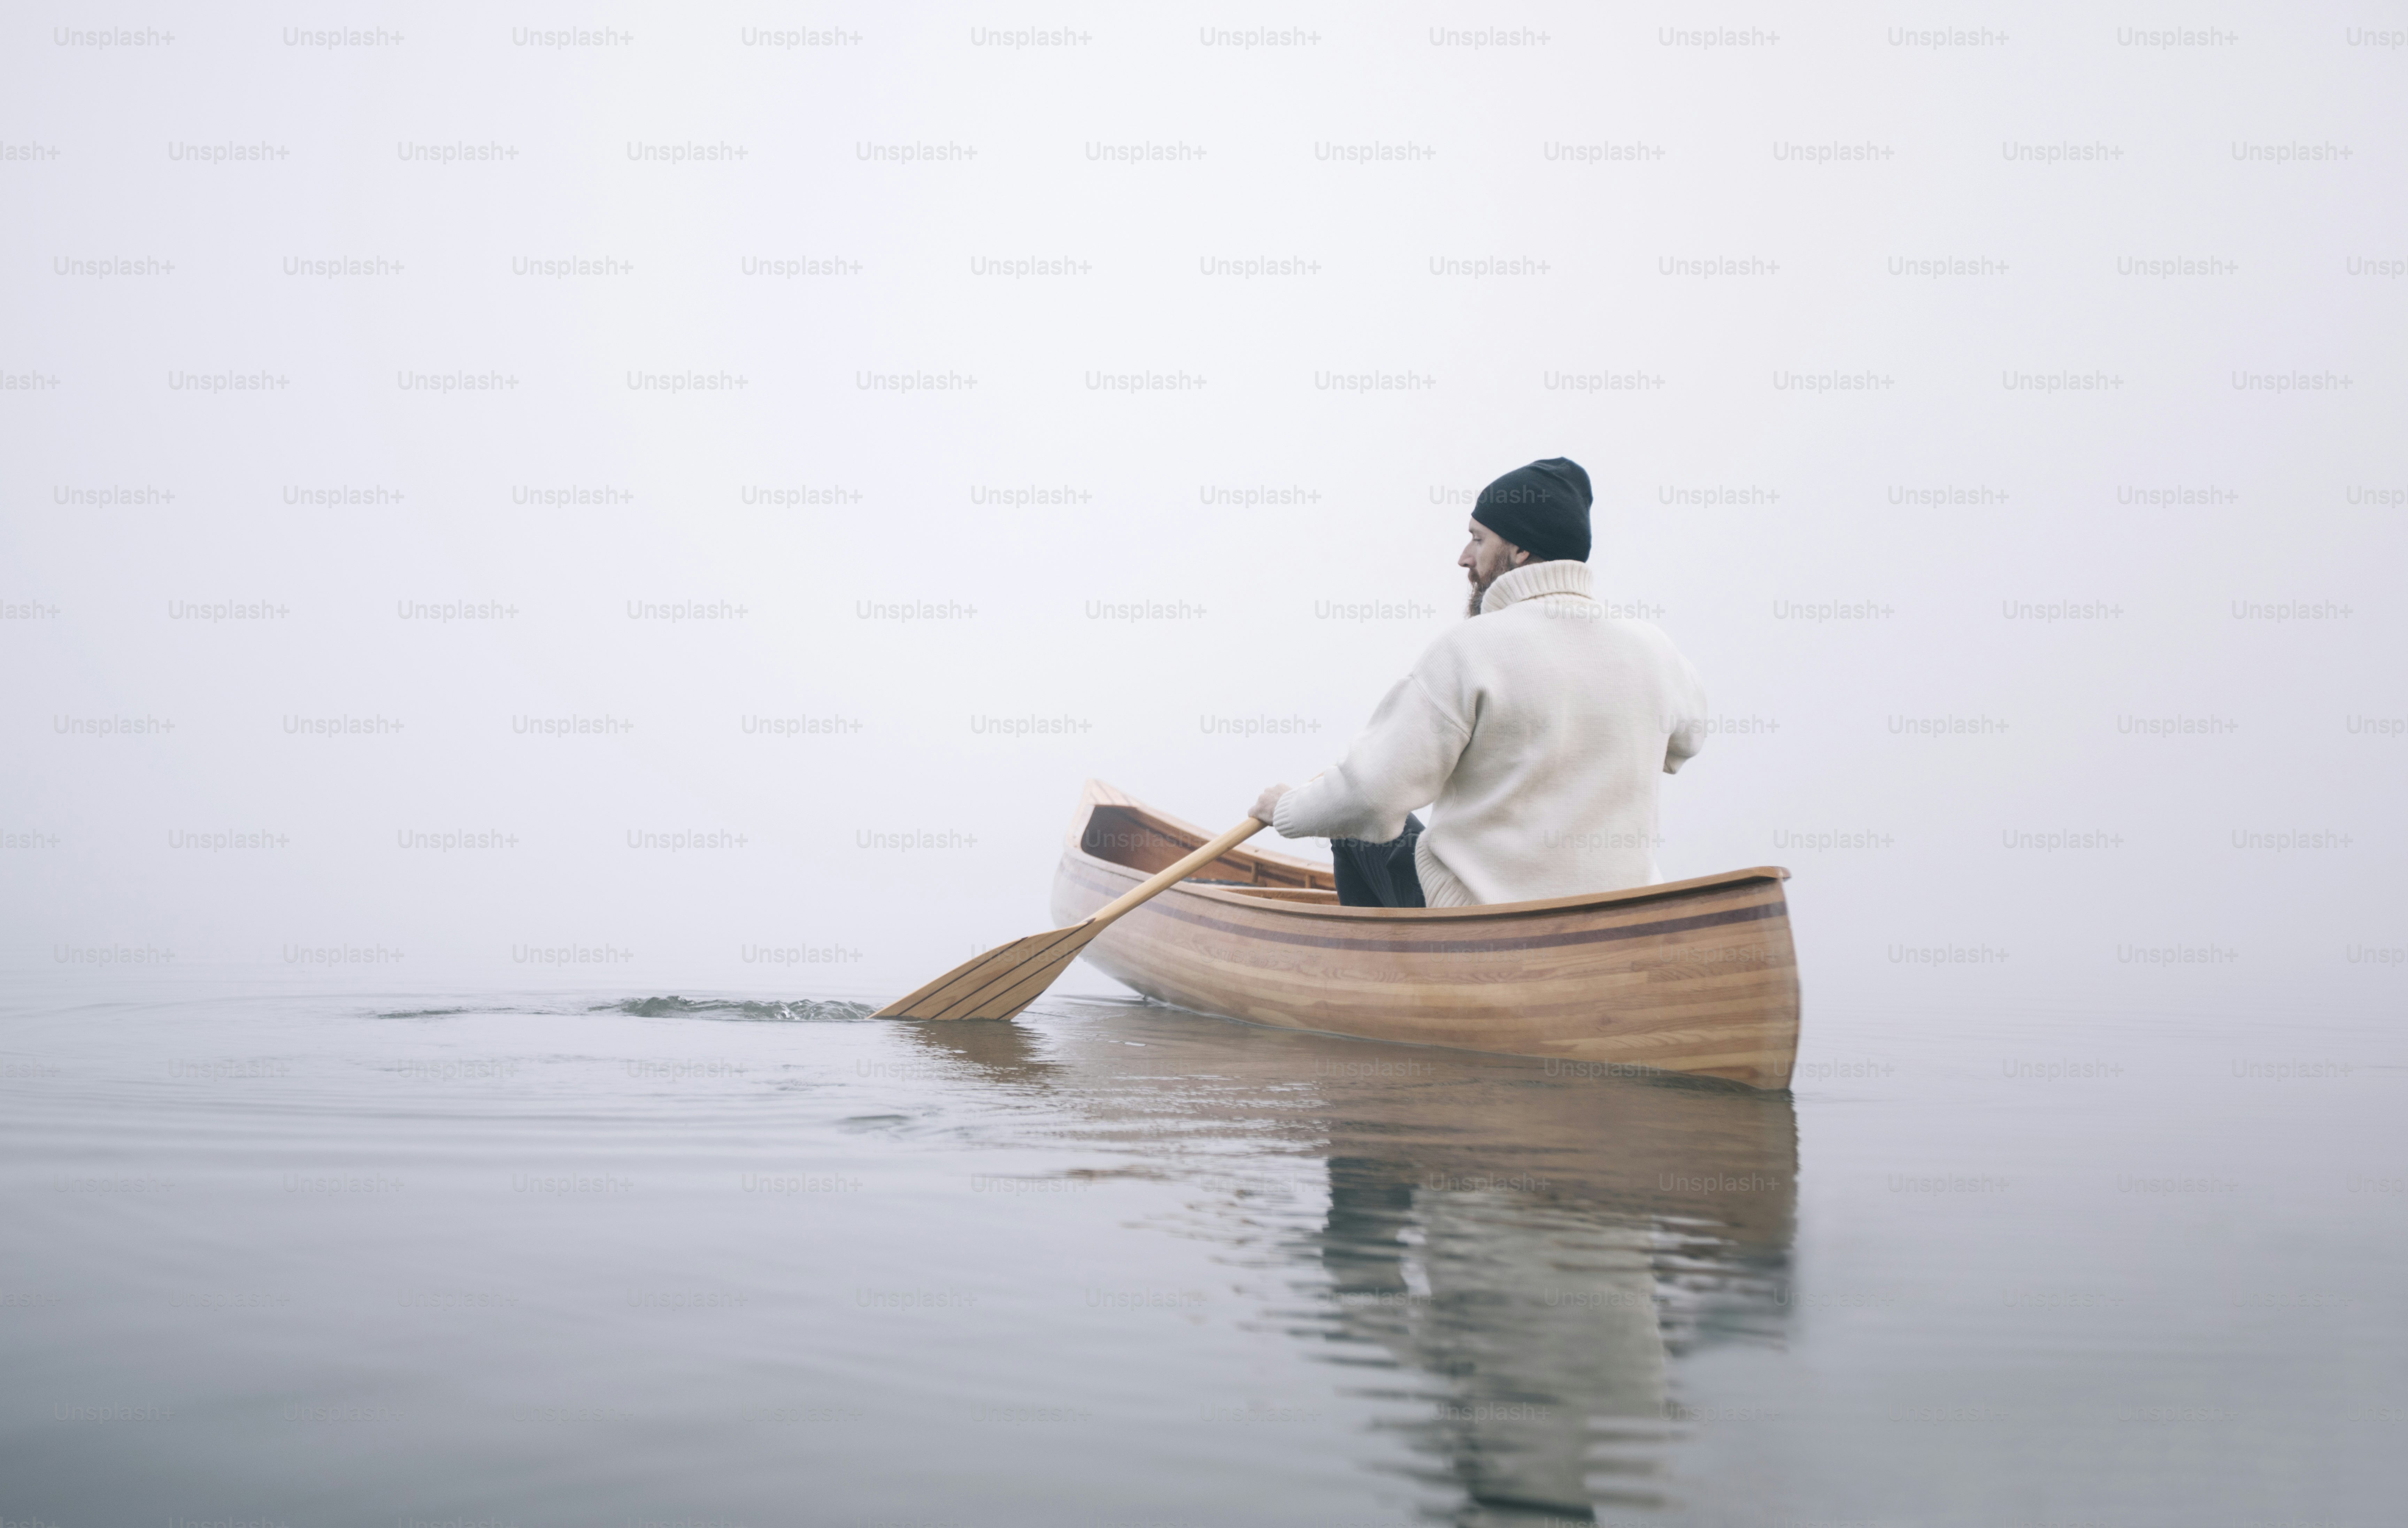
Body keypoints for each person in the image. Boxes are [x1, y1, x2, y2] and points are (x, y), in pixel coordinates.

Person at [1248, 457, 1708, 908]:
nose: (1464, 558)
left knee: (1353, 831)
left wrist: (1286, 809)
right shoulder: (1656, 649)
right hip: (1619, 918)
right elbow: (1687, 741)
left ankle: (1383, 975)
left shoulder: (1470, 649)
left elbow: (1370, 795)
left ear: (1521, 549)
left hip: (1485, 923)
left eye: (1478, 539)